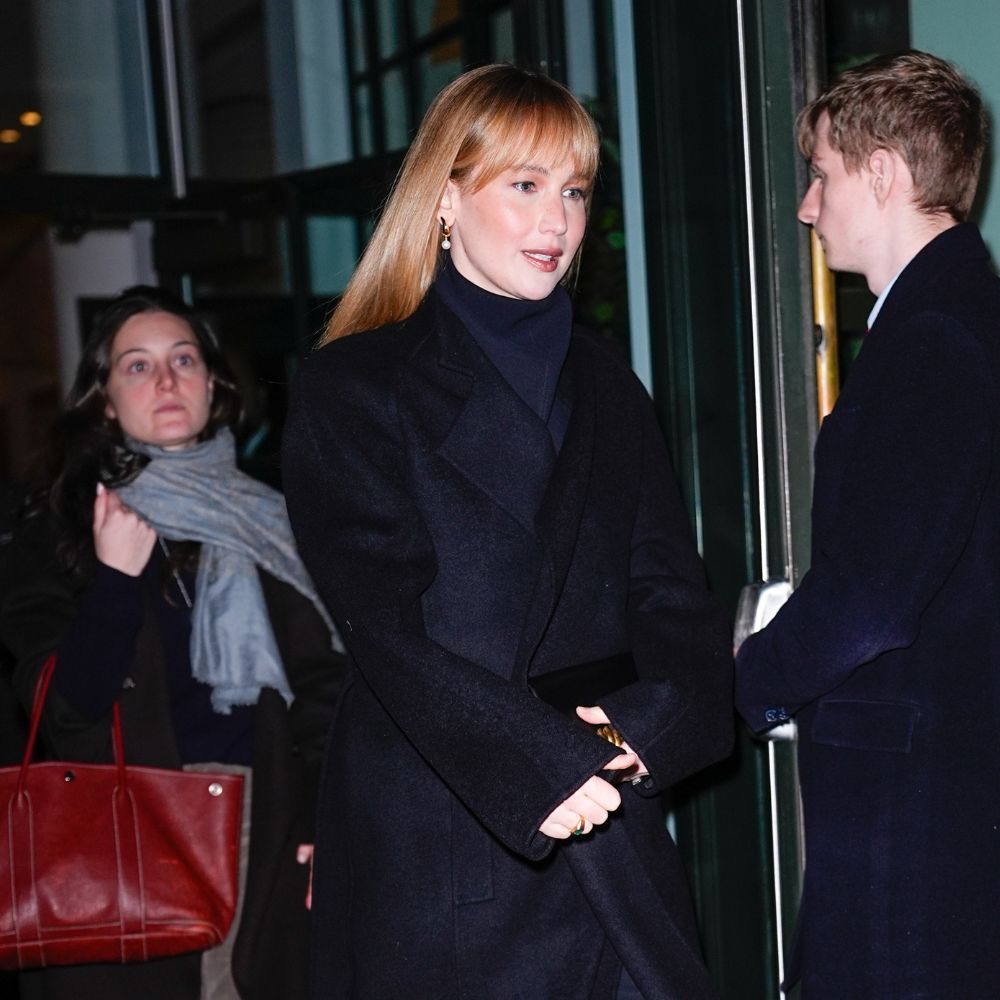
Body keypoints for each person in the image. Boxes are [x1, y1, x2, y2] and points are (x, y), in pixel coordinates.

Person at [282, 64, 733, 1000]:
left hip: (610, 828)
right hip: (450, 836)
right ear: (445, 199)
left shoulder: (609, 386)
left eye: (574, 191)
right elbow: (386, 632)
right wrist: (541, 763)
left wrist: (646, 726)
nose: (556, 220)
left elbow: (670, 597)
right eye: (525, 184)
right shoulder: (354, 387)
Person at [736, 51, 1000, 998]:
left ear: (882, 173)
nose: (808, 207)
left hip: (913, 815)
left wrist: (744, 682)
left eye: (822, 174)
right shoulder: (953, 316)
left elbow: (873, 599)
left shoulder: (934, 337)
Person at [0, 286, 347, 1000]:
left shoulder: (275, 520)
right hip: (127, 835)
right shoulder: (58, 531)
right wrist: (113, 581)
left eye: (183, 360)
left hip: (264, 825)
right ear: (103, 400)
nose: (165, 380)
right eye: (137, 365)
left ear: (213, 385)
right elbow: (66, 712)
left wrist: (324, 815)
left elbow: (326, 691)